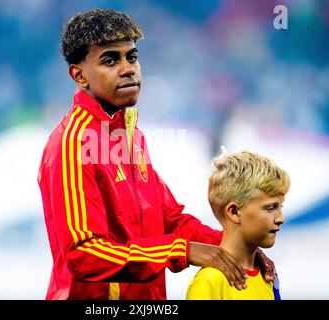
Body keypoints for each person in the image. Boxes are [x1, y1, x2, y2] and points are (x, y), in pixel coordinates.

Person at [37, 8, 276, 300]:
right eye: (110, 60)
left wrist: (232, 248)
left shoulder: (131, 136)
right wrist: (183, 251)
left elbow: (169, 219)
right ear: (79, 74)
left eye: (132, 57)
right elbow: (83, 254)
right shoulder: (72, 144)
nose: (128, 69)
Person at [186, 150, 290, 300]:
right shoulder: (210, 282)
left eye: (281, 207)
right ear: (234, 212)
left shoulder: (268, 276)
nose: (281, 218)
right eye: (270, 208)